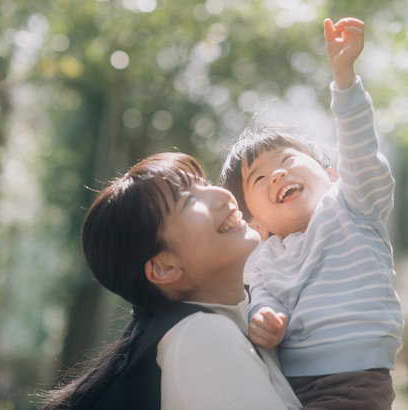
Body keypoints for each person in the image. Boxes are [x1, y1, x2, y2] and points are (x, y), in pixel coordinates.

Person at [219, 18, 403, 409]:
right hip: (287, 383)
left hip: (354, 379)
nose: (279, 174)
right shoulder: (265, 257)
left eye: (286, 160)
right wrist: (264, 317)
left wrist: (344, 76)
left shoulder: (353, 205)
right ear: (255, 222)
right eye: (260, 178)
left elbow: (360, 151)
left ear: (334, 175)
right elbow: (264, 299)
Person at [38, 152, 301, 410]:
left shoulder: (262, 307)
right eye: (188, 200)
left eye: (205, 183)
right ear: (164, 268)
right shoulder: (202, 335)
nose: (223, 195)